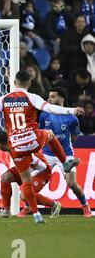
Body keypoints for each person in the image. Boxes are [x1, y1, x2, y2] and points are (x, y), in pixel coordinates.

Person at [0, 70, 84, 224]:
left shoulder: (4, 99)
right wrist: (71, 110)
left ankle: (37, 215)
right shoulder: (31, 97)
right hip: (33, 140)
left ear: (14, 83)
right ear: (30, 83)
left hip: (16, 145)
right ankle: (65, 162)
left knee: (26, 182)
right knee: (50, 134)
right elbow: (51, 108)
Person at [39, 87, 92, 217]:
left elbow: (74, 138)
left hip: (66, 154)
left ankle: (85, 206)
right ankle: (28, 207)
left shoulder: (72, 118)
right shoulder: (44, 114)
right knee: (36, 182)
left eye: (52, 96)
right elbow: (40, 133)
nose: (49, 99)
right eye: (49, 96)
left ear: (61, 98)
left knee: (72, 184)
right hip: (47, 154)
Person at [0, 130, 61, 219]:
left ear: (0, 144)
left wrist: (27, 177)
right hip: (26, 168)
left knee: (24, 195)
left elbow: (42, 167)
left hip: (41, 172)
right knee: (5, 177)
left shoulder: (18, 149)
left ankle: (54, 204)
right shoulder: (12, 147)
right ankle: (6, 211)